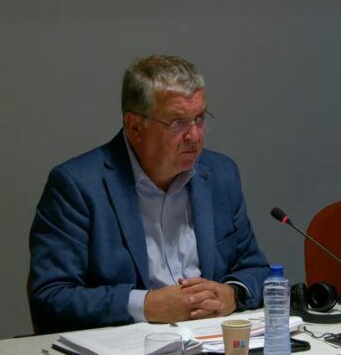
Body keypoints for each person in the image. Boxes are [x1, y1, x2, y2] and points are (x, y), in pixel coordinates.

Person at [28, 55, 269, 333]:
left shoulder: (220, 174)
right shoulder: (78, 185)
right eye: (177, 123)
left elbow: (257, 270)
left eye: (200, 119)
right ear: (135, 127)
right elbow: (50, 299)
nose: (194, 136)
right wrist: (145, 305)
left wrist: (233, 293)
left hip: (211, 340)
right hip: (130, 347)